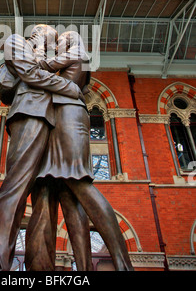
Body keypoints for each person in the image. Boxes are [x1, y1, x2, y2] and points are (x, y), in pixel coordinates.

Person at [25, 31, 134, 271]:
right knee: (67, 194)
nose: (58, 44)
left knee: (79, 183)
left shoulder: (75, 52)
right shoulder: (78, 58)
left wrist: (38, 47)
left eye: (61, 40)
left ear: (71, 40)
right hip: (61, 117)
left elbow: (40, 68)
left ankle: (122, 263)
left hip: (68, 116)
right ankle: (84, 269)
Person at [0, 25, 84, 271]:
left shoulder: (46, 57)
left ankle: (41, 268)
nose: (55, 42)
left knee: (46, 197)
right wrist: (70, 88)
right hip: (29, 114)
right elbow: (30, 75)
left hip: (52, 121)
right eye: (52, 37)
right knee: (14, 189)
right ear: (38, 33)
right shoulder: (16, 41)